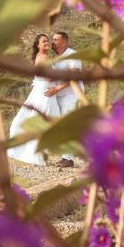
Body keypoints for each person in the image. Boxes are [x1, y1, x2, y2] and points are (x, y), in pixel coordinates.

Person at [7, 34, 61, 165]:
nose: (47, 42)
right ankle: (36, 154)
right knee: (43, 120)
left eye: (48, 40)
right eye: (44, 41)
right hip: (45, 91)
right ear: (38, 45)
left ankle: (36, 151)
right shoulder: (43, 57)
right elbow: (49, 78)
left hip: (40, 90)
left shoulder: (40, 56)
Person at [46, 31, 83, 167]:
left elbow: (74, 76)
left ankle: (68, 159)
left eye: (56, 40)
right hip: (59, 97)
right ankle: (65, 157)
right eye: (53, 39)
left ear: (64, 42)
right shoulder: (55, 58)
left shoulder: (72, 55)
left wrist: (57, 88)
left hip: (72, 95)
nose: (53, 42)